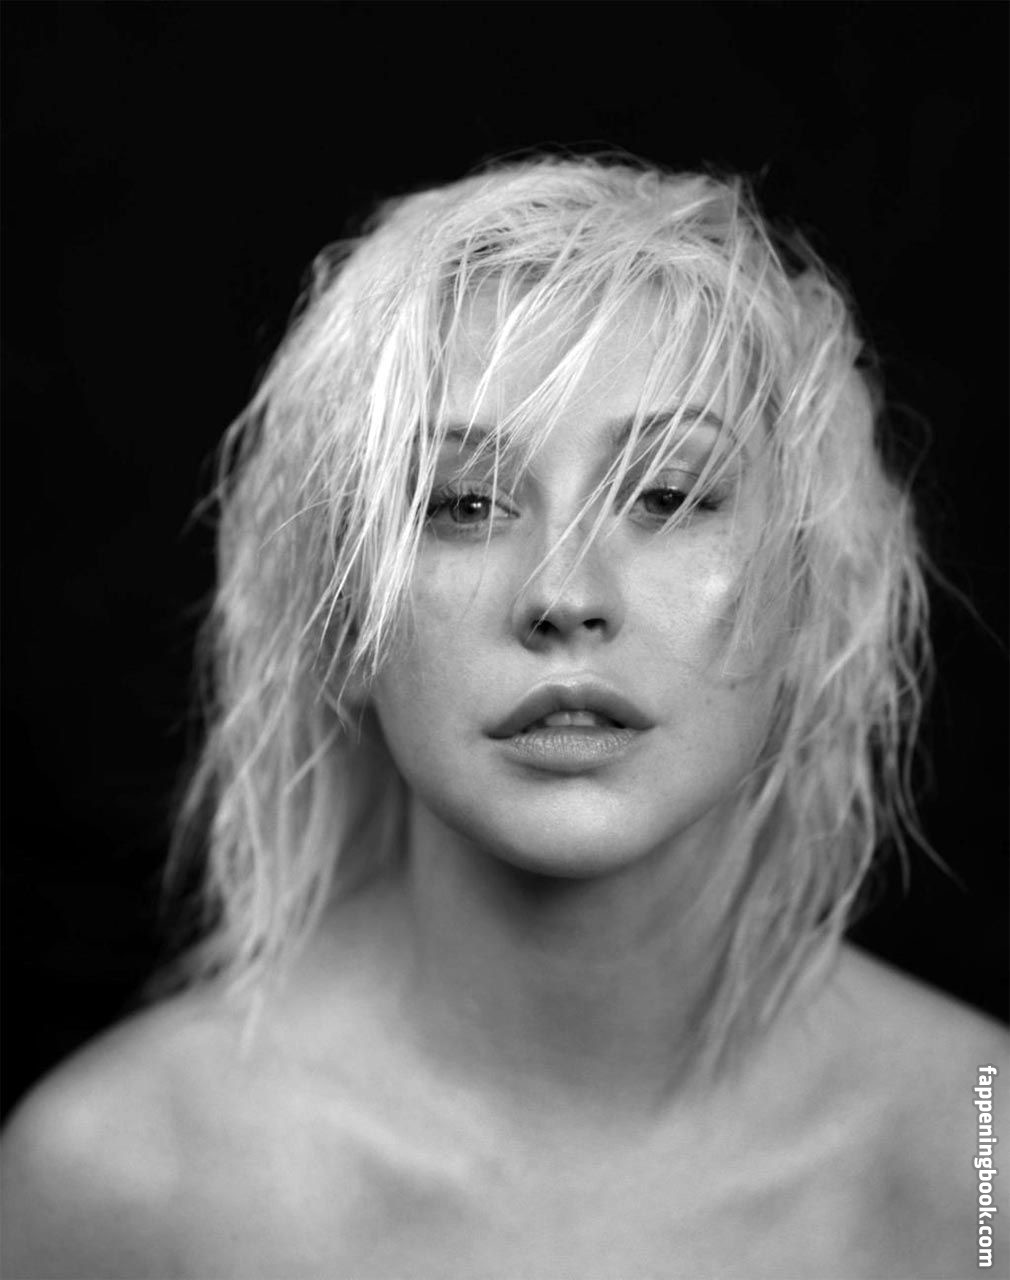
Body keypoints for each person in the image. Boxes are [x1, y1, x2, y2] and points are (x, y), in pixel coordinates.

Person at [2, 154, 1005, 1280]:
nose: (563, 593)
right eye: (463, 504)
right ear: (341, 611)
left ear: (810, 589)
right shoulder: (121, 1182)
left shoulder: (979, 1167)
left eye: (668, 494)